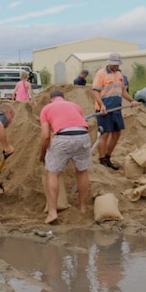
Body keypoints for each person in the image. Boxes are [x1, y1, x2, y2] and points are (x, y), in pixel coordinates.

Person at [39, 90, 92, 225]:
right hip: (83, 135)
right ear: (64, 98)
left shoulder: (46, 109)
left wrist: (43, 154)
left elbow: (45, 136)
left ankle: (52, 212)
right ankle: (83, 208)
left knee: (52, 173)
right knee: (82, 171)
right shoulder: (75, 106)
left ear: (51, 99)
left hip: (63, 137)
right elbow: (83, 125)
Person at [91, 52, 139, 170]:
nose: (116, 66)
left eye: (117, 64)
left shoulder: (119, 74)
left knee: (117, 133)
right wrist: (102, 105)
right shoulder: (101, 73)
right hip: (104, 109)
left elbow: (122, 91)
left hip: (116, 108)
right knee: (105, 133)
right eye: (114, 64)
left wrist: (131, 100)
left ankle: (108, 157)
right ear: (110, 63)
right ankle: (102, 159)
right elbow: (95, 91)